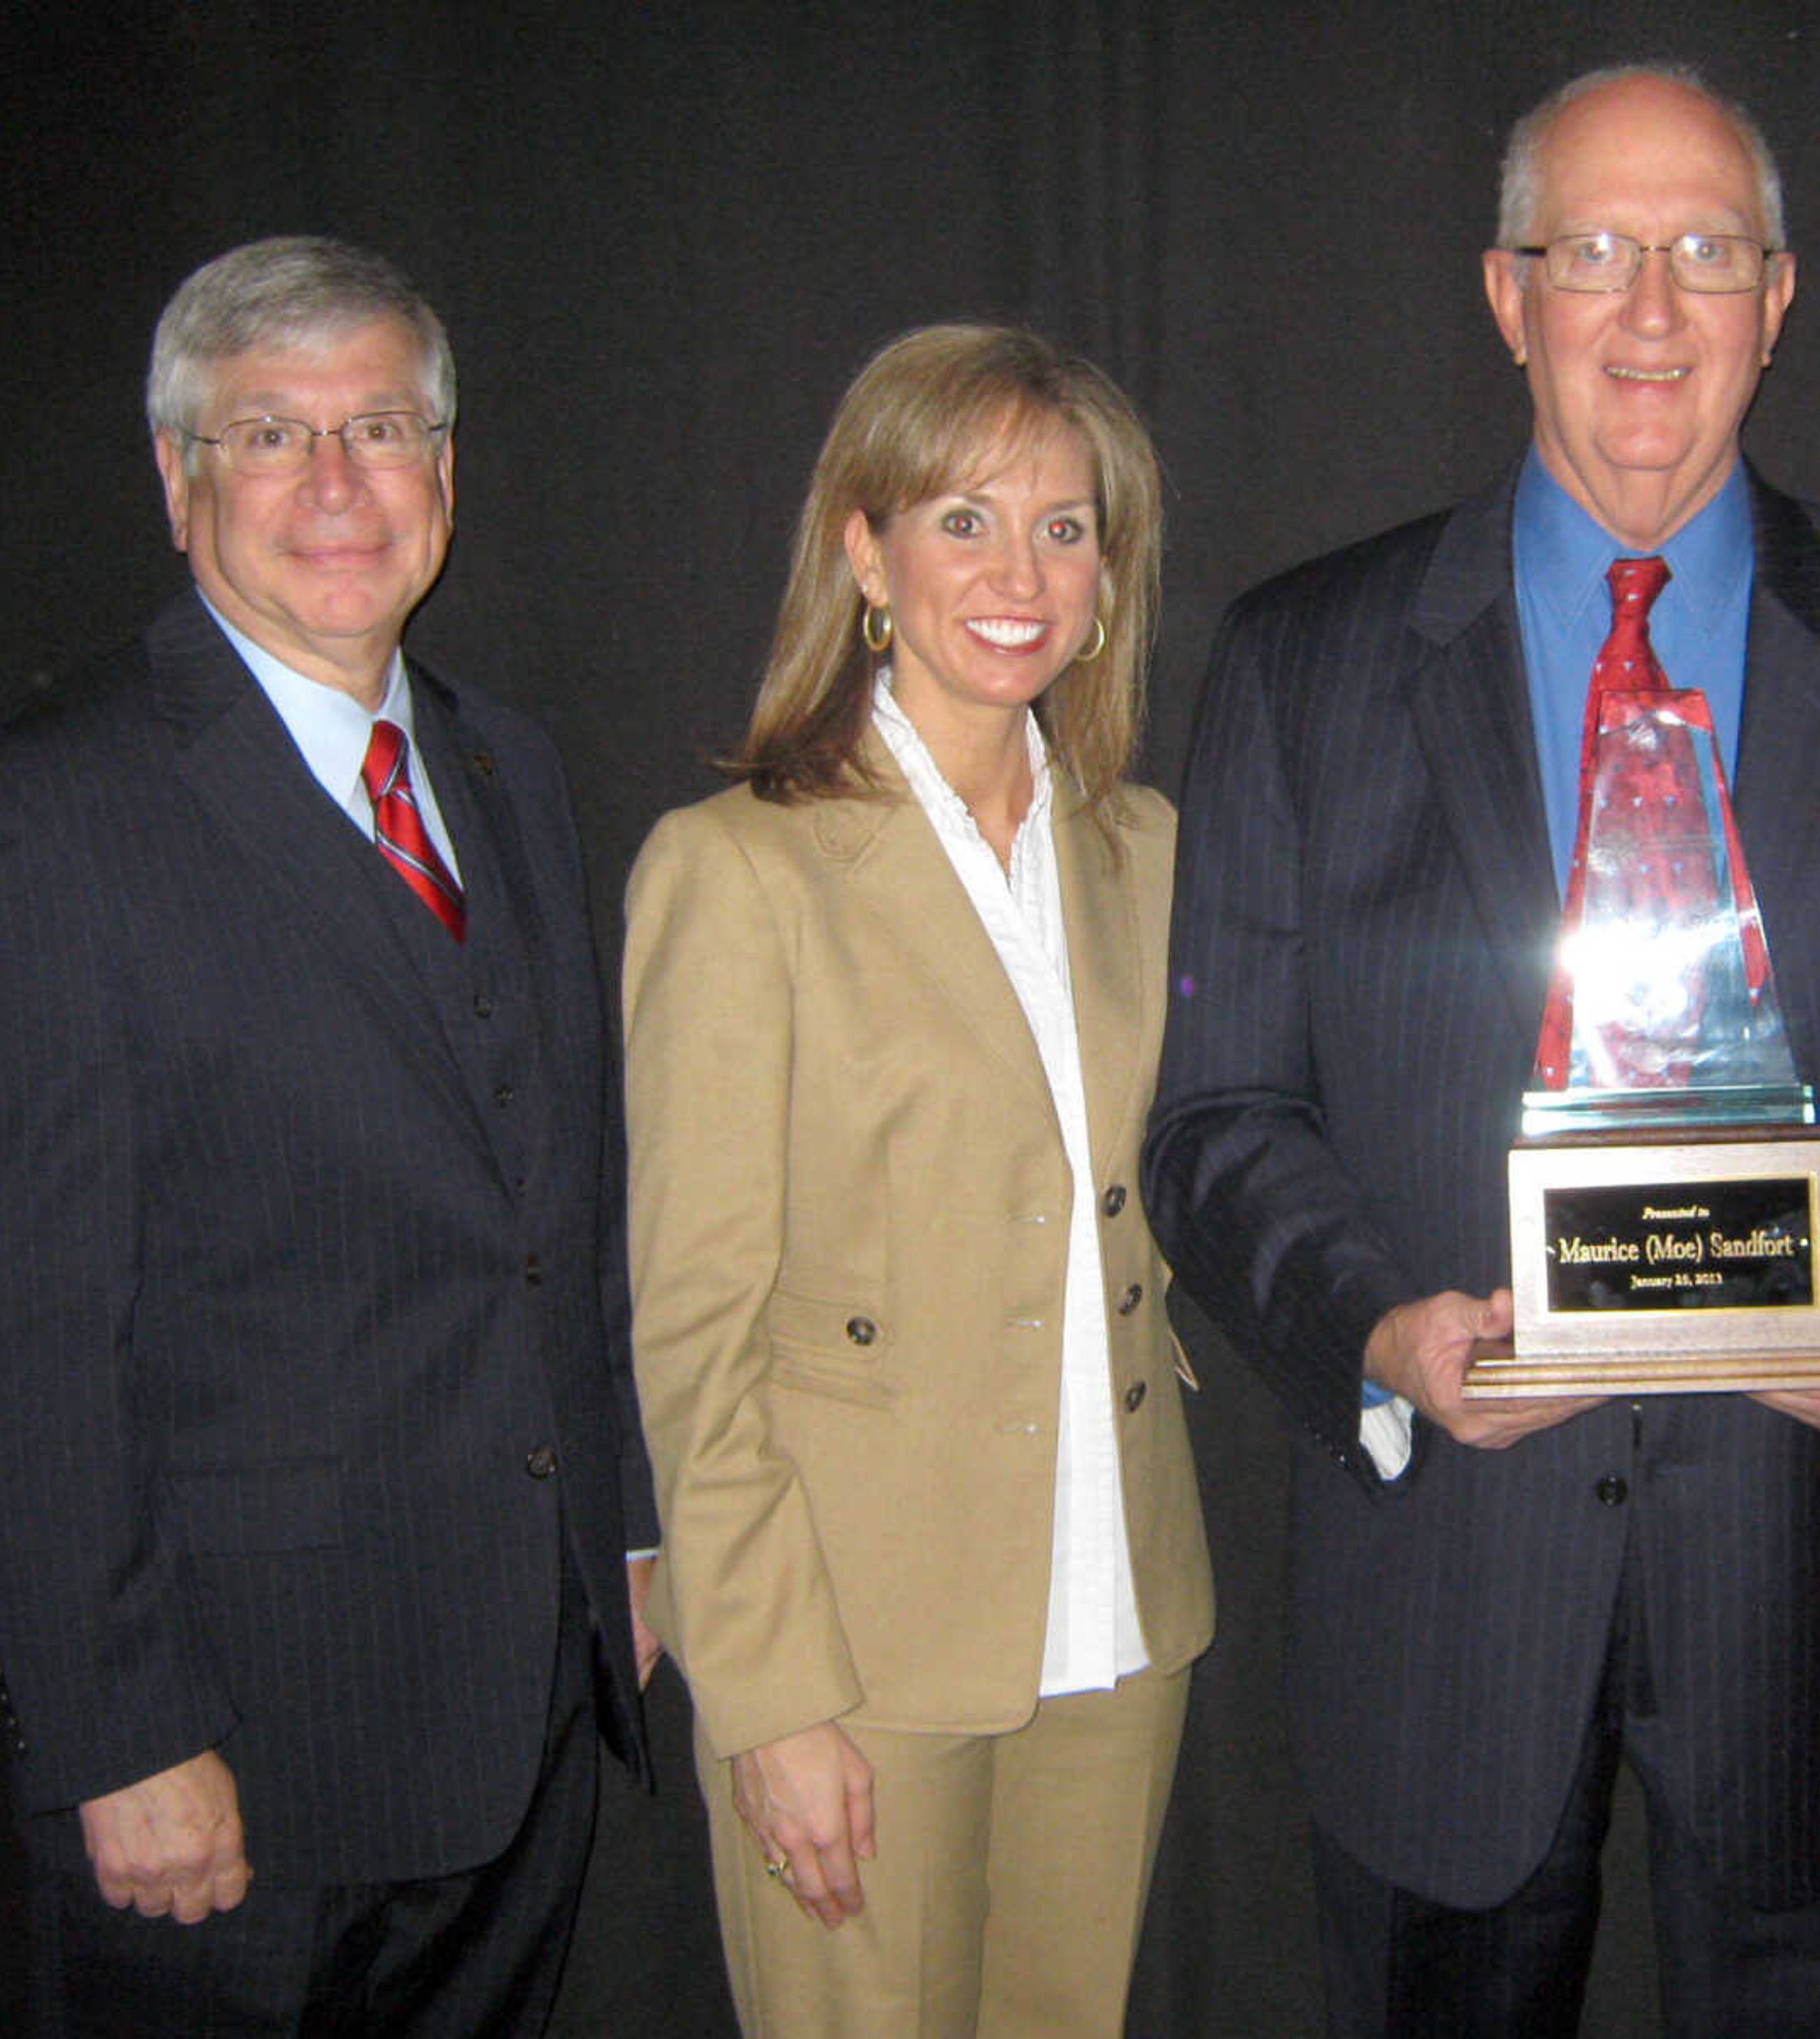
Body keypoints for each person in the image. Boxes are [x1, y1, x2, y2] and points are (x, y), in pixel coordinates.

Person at [1144, 62, 1820, 2038]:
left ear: (1780, 295)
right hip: (1446, 1610)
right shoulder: (1302, 662)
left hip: (1812, 1599)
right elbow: (1222, 1123)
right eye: (1593, 252)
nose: (1650, 312)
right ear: (1507, 296)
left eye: (1705, 254)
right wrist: (1382, 1337)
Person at [0, 236, 660, 2036]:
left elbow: (561, 1206)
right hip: (242, 1757)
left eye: (381, 425)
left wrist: (628, 1538)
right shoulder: (54, 812)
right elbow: (28, 1336)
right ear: (176, 477)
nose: (340, 483)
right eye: (272, 436)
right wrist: (118, 1731)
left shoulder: (505, 766)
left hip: (519, 1713)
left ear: (445, 467)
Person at [623, 324, 1212, 2039]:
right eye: (963, 519)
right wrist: (770, 1694)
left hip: (1116, 1608)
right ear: (866, 551)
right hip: (859, 1644)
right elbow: (695, 1330)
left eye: (1066, 526)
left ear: (1112, 575)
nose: (1019, 573)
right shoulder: (738, 870)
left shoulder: (1149, 849)